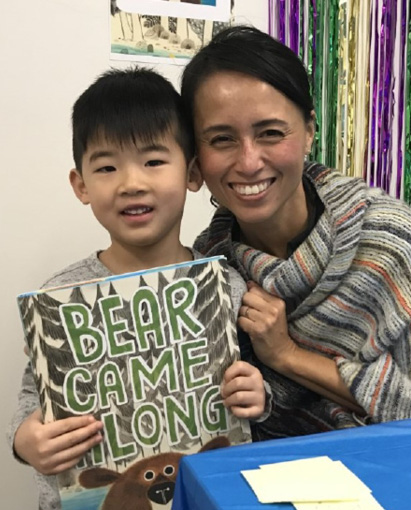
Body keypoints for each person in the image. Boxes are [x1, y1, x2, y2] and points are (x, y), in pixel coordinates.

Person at [181, 25, 411, 440]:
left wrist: (285, 354)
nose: (249, 162)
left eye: (270, 133)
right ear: (196, 157)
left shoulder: (387, 237)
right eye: (222, 139)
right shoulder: (209, 265)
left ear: (308, 132)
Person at [7, 67, 267, 510]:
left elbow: (251, 389)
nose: (131, 183)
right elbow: (34, 397)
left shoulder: (224, 283)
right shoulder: (63, 297)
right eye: (107, 167)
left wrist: (257, 394)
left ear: (192, 173)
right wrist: (25, 441)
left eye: (153, 161)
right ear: (81, 185)